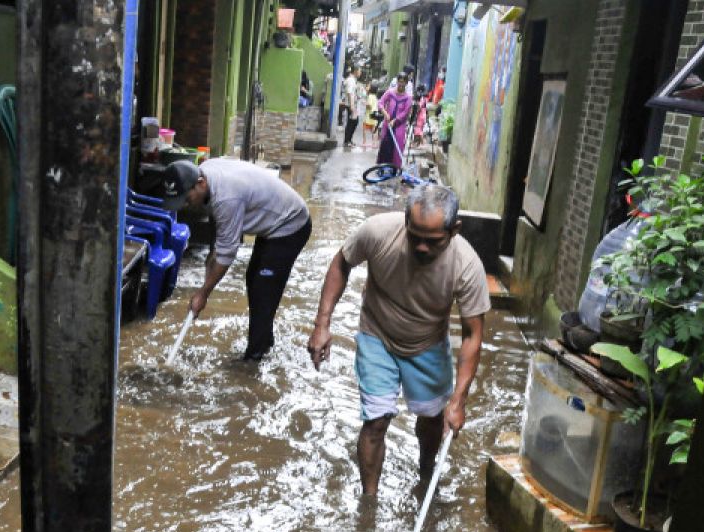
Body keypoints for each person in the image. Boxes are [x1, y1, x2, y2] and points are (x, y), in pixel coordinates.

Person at [306, 185, 489, 496]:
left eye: (432, 242)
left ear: (454, 230)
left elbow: (473, 335)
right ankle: (369, 501)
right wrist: (322, 324)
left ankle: (426, 475)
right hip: (377, 334)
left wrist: (458, 401)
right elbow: (341, 263)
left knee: (432, 420)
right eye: (414, 237)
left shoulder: (467, 266)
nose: (421, 248)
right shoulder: (377, 232)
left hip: (428, 343)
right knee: (376, 422)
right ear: (405, 220)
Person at [156, 158, 312, 360]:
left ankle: (255, 358)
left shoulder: (226, 198)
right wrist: (211, 260)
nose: (186, 205)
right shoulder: (206, 173)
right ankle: (265, 341)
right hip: (274, 219)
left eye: (186, 199)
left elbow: (228, 253)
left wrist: (203, 293)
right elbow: (219, 234)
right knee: (253, 278)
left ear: (200, 183)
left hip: (291, 223)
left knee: (263, 286)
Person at [377, 73, 413, 169]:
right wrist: (385, 112)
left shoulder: (408, 98)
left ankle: (395, 168)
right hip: (387, 124)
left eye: (403, 82)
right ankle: (381, 167)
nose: (401, 84)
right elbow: (380, 103)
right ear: (397, 81)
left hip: (399, 127)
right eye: (400, 81)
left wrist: (395, 121)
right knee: (385, 146)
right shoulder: (390, 93)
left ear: (406, 83)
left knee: (396, 148)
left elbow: (405, 113)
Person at [362, 80, 380, 147]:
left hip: (369, 115)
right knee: (374, 129)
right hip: (375, 115)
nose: (367, 87)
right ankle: (374, 143)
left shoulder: (370, 96)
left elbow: (369, 106)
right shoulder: (375, 97)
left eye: (369, 86)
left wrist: (365, 104)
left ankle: (364, 142)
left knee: (364, 128)